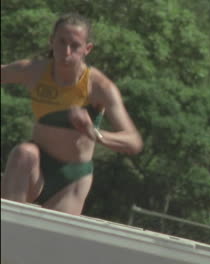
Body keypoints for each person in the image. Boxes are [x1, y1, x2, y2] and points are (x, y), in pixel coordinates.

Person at [1, 13, 143, 215]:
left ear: (87, 49)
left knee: (49, 243)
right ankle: (7, 227)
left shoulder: (99, 86)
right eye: (61, 42)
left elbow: (134, 141)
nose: (66, 51)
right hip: (35, 168)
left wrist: (96, 134)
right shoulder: (34, 71)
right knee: (23, 153)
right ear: (52, 42)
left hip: (72, 178)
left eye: (75, 45)